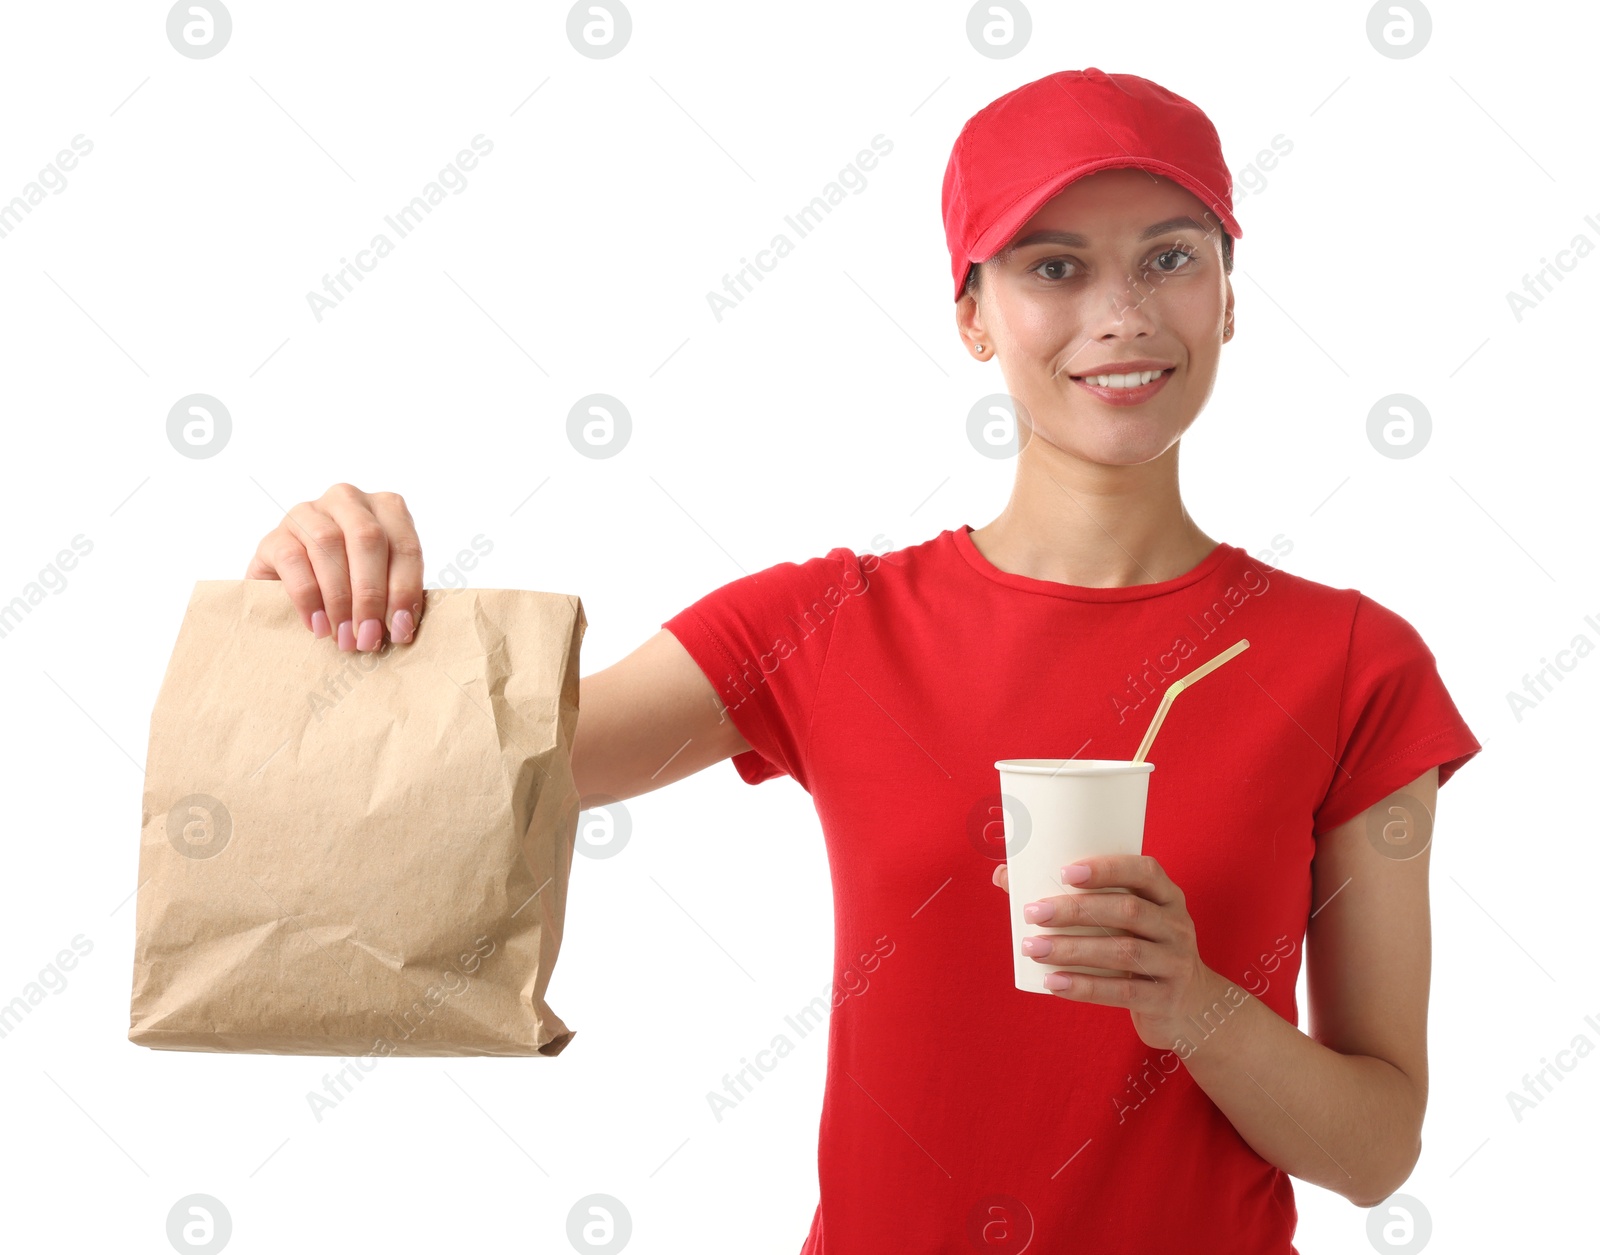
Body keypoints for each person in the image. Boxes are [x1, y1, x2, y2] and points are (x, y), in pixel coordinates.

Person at [246, 68, 1481, 1255]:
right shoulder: (826, 626)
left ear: (1226, 294)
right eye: (1054, 267)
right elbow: (475, 770)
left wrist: (1195, 1004)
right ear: (971, 315)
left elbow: (1377, 1150)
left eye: (1171, 257)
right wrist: (318, 591)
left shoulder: (1353, 662)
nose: (1123, 313)